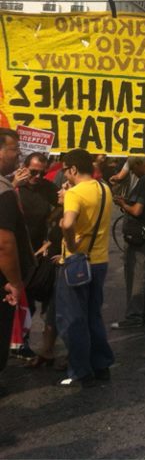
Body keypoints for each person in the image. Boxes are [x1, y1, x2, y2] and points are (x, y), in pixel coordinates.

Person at [56, 148, 114, 387]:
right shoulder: (104, 188)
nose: (64, 175)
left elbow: (68, 223)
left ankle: (81, 370)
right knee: (93, 315)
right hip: (99, 261)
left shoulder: (75, 193)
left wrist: (69, 240)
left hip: (76, 263)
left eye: (64, 170)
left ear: (73, 169)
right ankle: (101, 364)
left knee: (72, 319)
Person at [112, 156, 145, 329]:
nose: (133, 173)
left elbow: (136, 210)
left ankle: (134, 316)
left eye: (133, 169)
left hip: (140, 235)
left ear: (140, 164)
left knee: (136, 275)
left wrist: (122, 203)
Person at [0, 129, 32, 384]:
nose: (19, 154)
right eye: (14, 149)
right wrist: (15, 282)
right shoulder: (3, 192)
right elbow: (4, 244)